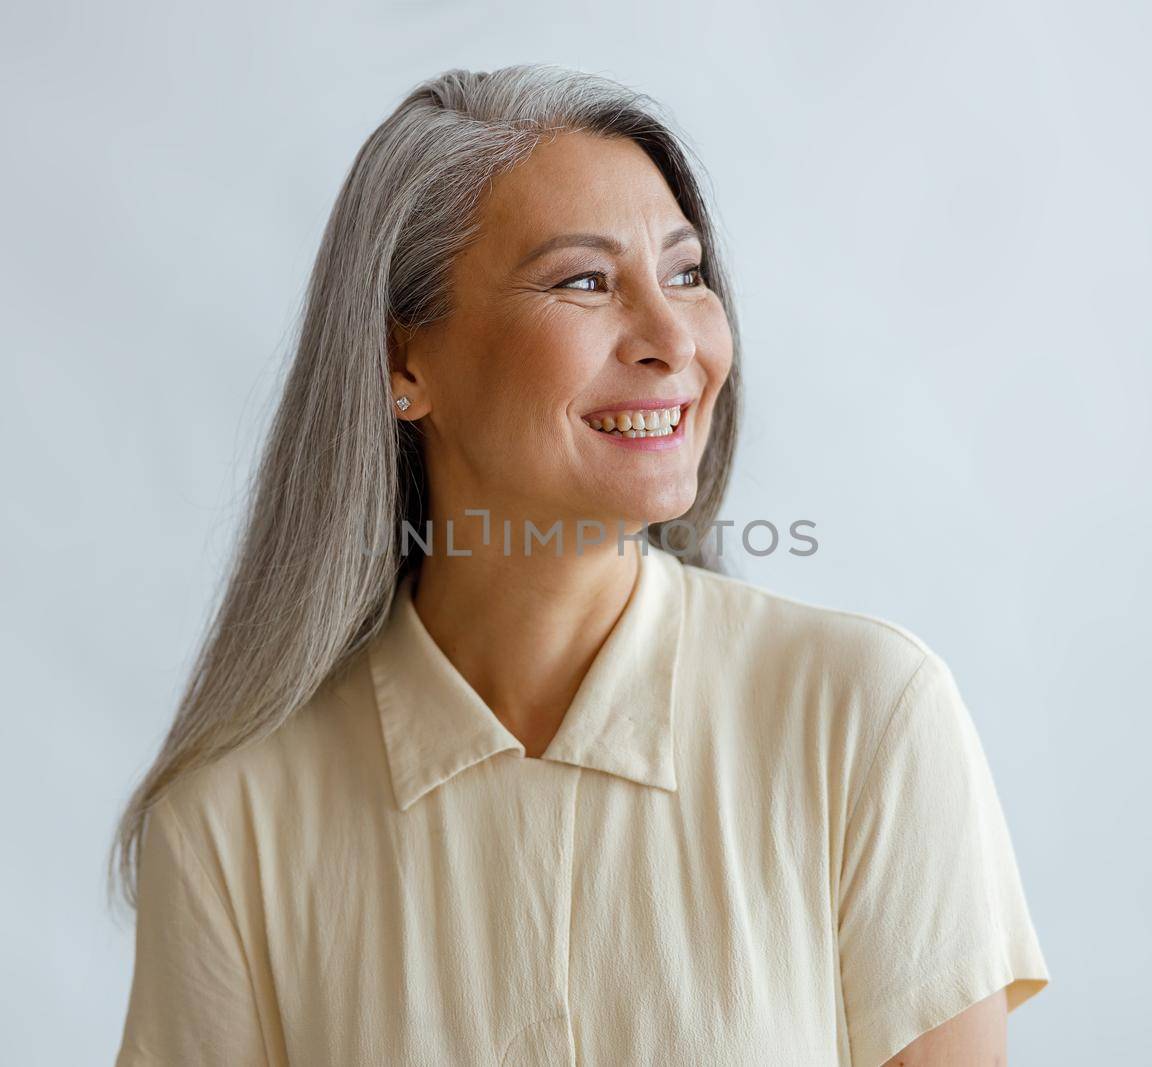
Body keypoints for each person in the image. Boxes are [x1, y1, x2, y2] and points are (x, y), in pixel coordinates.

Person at [109, 63, 1050, 1066]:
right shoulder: (231, 818)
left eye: (686, 273)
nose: (673, 337)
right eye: (584, 281)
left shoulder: (863, 718)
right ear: (402, 360)